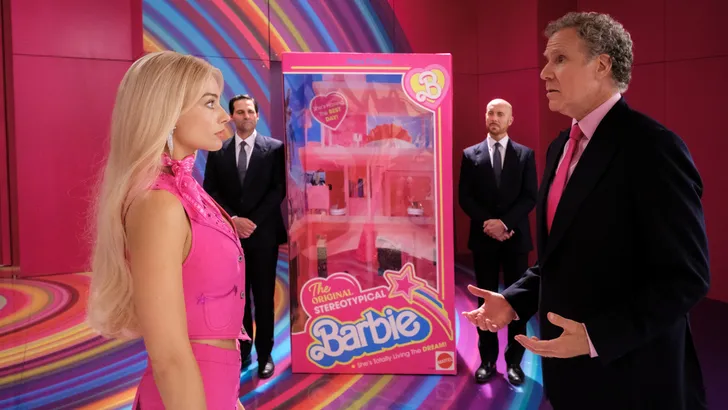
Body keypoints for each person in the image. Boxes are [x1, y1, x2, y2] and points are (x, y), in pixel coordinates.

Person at [463, 12, 709, 409]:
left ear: (602, 65)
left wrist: (597, 336)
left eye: (559, 59)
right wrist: (514, 300)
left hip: (633, 377)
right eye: (547, 60)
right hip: (568, 376)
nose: (544, 72)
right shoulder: (560, 147)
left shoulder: (653, 148)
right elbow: (559, 258)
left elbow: (686, 277)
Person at [87, 51, 247, 409]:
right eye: (209, 103)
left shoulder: (184, 191)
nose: (225, 116)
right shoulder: (159, 204)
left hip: (214, 387)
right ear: (168, 113)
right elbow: (169, 357)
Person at [203, 94, 286, 379]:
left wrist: (252, 222)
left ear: (257, 115)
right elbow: (210, 190)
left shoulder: (274, 149)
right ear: (232, 116)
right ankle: (244, 351)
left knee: (263, 298)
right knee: (238, 299)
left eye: (250, 111)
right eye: (240, 112)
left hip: (263, 235)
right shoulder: (218, 151)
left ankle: (265, 355)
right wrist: (234, 220)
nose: (246, 116)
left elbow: (278, 189)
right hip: (230, 237)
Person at [458, 98, 537, 385]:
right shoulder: (470, 155)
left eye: (500, 113)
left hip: (515, 239)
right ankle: (488, 361)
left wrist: (505, 224)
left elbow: (530, 196)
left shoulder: (525, 155)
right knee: (484, 300)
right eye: (490, 112)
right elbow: (465, 197)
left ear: (510, 120)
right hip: (484, 240)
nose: (494, 117)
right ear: (486, 116)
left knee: (517, 303)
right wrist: (490, 225)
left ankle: (514, 362)